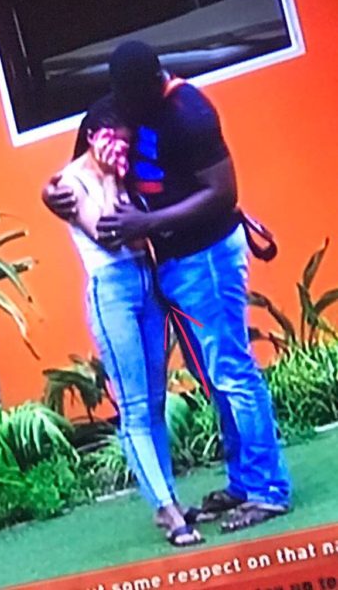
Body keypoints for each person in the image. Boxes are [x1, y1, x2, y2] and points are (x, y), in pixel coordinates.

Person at [42, 41, 292, 532]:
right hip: (169, 267)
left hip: (209, 258)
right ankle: (243, 483)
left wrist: (148, 223)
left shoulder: (189, 112)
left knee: (234, 373)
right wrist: (50, 194)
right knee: (213, 378)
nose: (124, 111)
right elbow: (74, 178)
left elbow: (223, 193)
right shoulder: (115, 110)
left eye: (131, 99)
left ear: (152, 84)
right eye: (118, 99)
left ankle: (268, 490)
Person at [53, 117, 203, 546]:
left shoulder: (123, 172)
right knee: (134, 406)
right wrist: (108, 180)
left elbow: (142, 231)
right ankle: (168, 512)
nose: (122, 149)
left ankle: (167, 499)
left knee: (155, 401)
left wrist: (120, 178)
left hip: (145, 280)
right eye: (115, 140)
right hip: (111, 289)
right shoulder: (69, 183)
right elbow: (109, 233)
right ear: (93, 137)